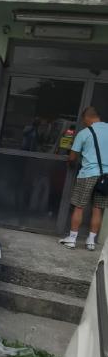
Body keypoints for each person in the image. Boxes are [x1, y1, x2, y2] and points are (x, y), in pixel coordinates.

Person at [60, 107, 108, 251]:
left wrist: (70, 162)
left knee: (79, 206)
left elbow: (72, 157)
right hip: (105, 177)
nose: (83, 122)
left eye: (83, 120)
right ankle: (91, 242)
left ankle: (72, 239)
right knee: (98, 208)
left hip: (87, 174)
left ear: (87, 117)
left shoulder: (84, 133)